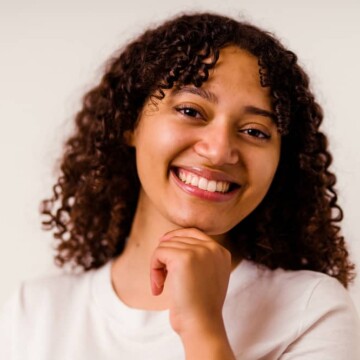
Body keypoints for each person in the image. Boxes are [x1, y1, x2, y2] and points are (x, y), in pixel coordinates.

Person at [0, 12, 359, 360]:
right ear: (131, 122)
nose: (219, 151)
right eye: (191, 111)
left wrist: (202, 327)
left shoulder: (310, 312)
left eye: (254, 131)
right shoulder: (33, 314)